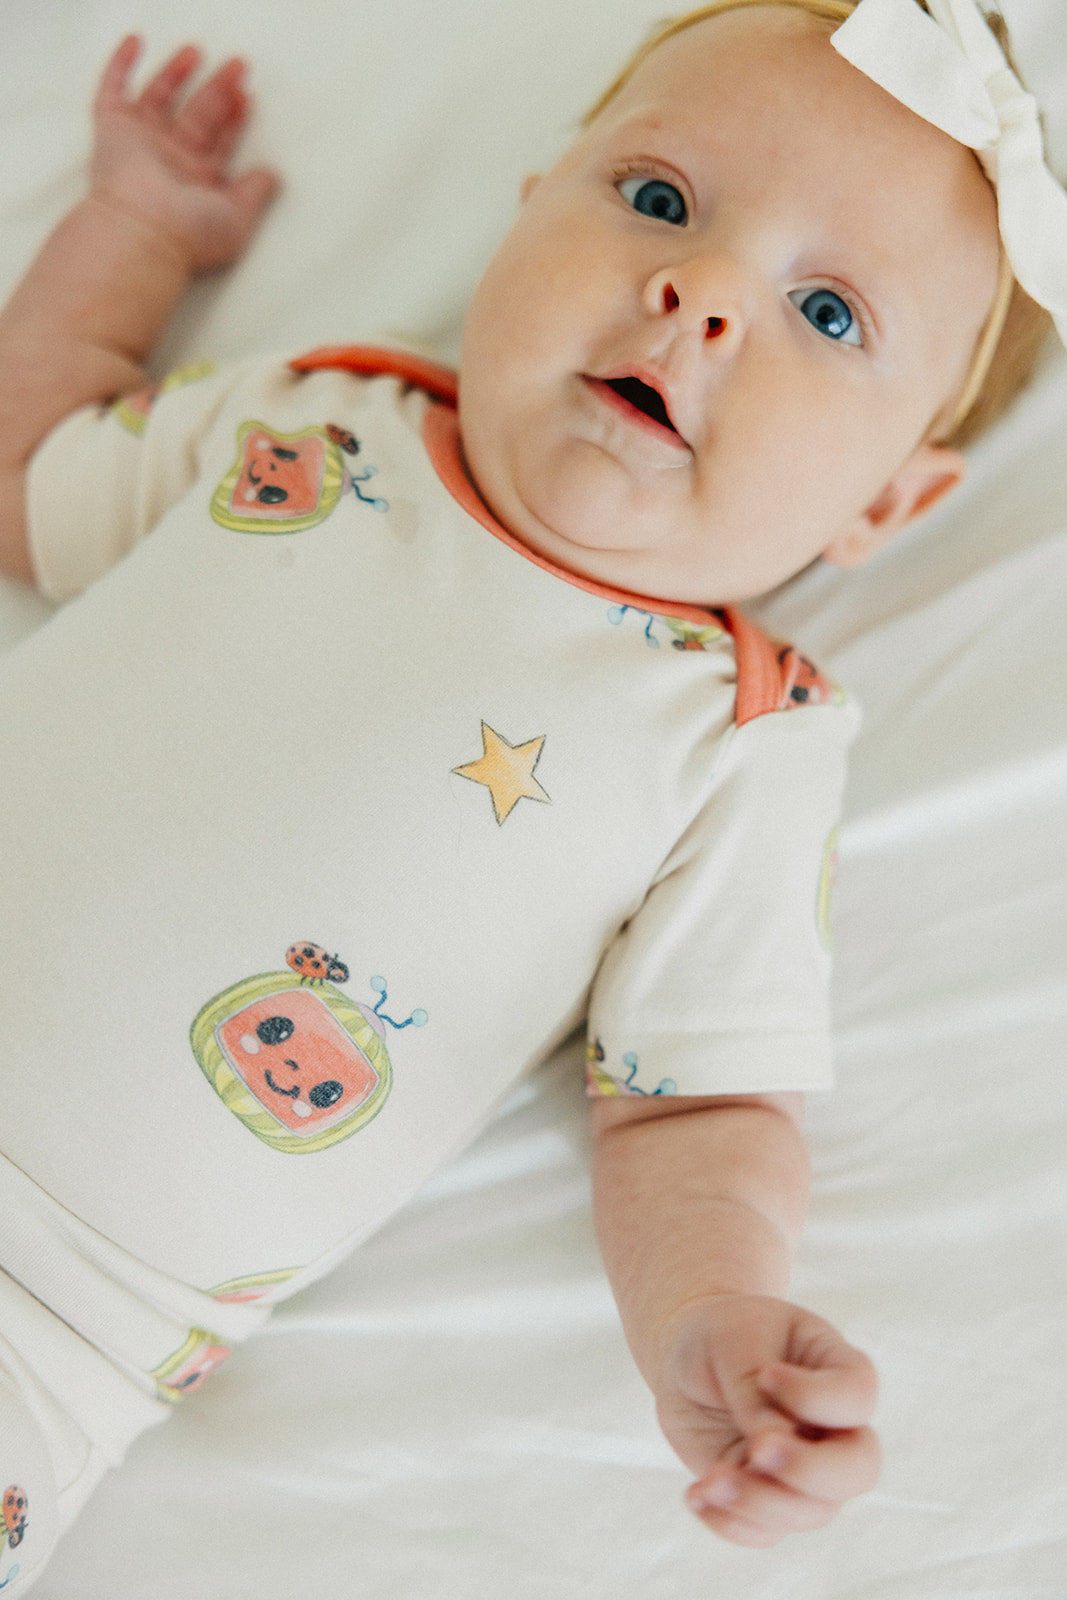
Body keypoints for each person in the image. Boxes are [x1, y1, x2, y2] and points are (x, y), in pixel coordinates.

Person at [0, 1, 1062, 1584]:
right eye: (659, 198)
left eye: (829, 312)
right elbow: (31, 476)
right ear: (521, 215)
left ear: (889, 504)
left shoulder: (739, 741)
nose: (702, 293)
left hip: (53, 1319)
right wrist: (139, 230)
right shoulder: (311, 421)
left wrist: (712, 1312)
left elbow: (694, 1101)